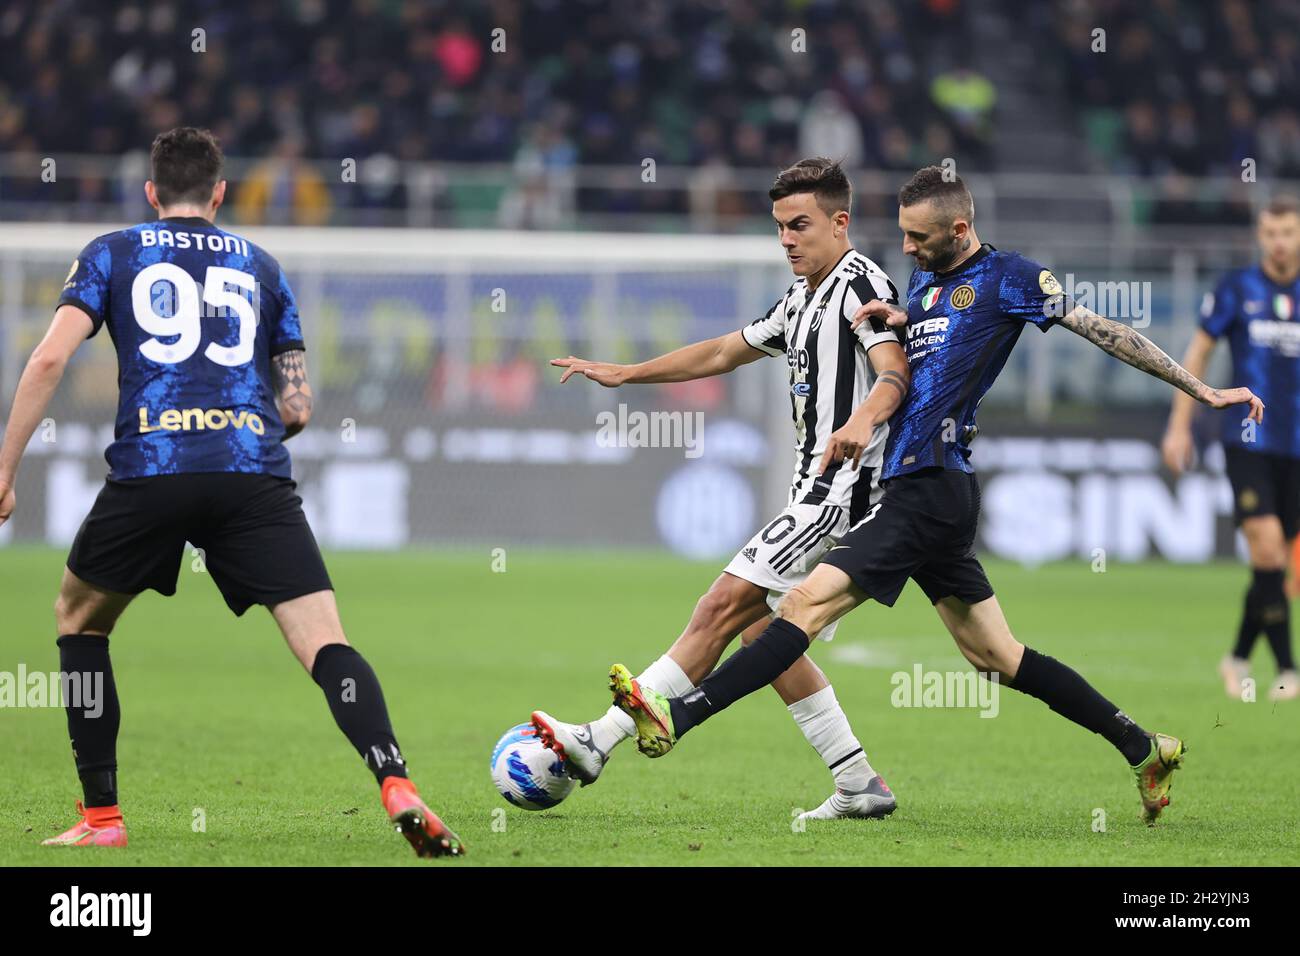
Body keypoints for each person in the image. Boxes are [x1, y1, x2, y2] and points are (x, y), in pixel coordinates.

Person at [609, 165, 1264, 826]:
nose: (909, 250)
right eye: (904, 236)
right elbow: (917, 355)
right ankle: (1142, 746)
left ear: (960, 227)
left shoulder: (1010, 278)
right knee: (996, 657)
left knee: (800, 606)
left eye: (920, 238)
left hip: (928, 486)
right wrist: (896, 314)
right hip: (926, 488)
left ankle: (679, 714)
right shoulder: (922, 280)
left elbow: (1104, 332)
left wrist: (1201, 391)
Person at [0, 128, 462, 857]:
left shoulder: (112, 252)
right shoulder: (264, 266)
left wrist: (4, 467)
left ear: (151, 193)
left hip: (153, 466)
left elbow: (51, 355)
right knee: (325, 643)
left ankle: (102, 819)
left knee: (79, 622)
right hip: (251, 473)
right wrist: (235, 422)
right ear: (219, 193)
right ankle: (394, 778)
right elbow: (300, 406)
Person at [534, 158, 909, 819]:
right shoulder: (799, 297)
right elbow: (721, 352)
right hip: (815, 491)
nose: (787, 239)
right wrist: (627, 373)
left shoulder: (860, 285)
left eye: (800, 225)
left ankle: (599, 739)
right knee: (761, 632)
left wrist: (861, 418)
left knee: (722, 604)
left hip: (846, 491)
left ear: (839, 222)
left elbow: (891, 370)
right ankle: (858, 783)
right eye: (779, 228)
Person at [1162, 195, 1300, 701]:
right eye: (1271, 233)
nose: (1280, 243)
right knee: (1265, 547)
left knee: (1276, 564)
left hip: (1297, 445)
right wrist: (1180, 425)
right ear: (1260, 236)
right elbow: (1198, 351)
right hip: (1249, 438)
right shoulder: (1237, 288)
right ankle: (1288, 668)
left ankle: (1238, 657)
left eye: (1288, 232)